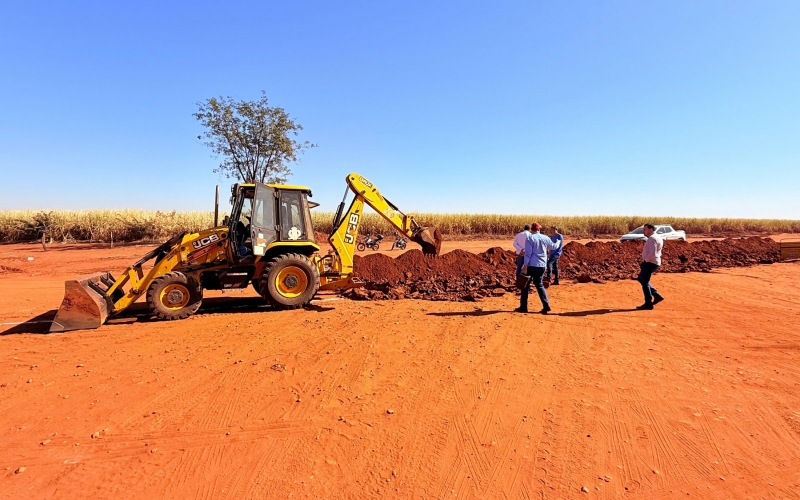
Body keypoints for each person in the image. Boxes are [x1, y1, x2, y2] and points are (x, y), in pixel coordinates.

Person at [516, 223, 562, 314]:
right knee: (539, 285)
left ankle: (523, 307)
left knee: (525, 286)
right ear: (539, 229)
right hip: (542, 266)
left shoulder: (530, 238)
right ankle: (546, 306)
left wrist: (525, 266)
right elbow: (554, 246)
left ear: (532, 230)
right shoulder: (545, 238)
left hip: (532, 265)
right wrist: (558, 242)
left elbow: (528, 254)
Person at [637, 223, 665, 310]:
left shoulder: (652, 238)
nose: (643, 231)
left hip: (650, 263)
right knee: (641, 278)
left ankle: (648, 303)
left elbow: (653, 253)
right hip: (653, 262)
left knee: (644, 282)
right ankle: (656, 295)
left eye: (645, 229)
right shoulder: (657, 237)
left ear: (651, 229)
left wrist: (646, 260)